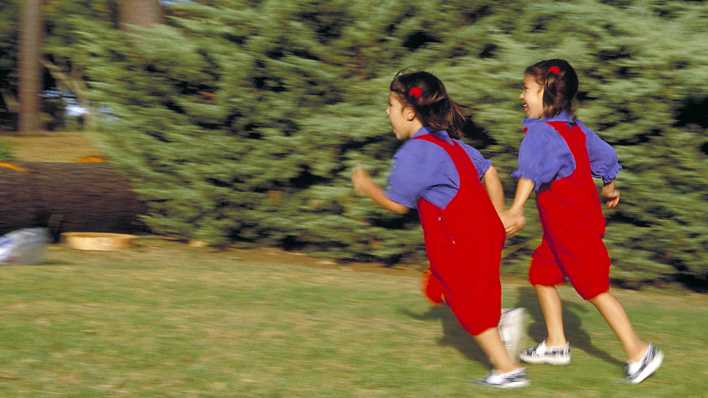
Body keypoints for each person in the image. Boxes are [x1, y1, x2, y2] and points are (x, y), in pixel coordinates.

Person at [352, 70, 527, 388]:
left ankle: (507, 369)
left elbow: (398, 204)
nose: (387, 112)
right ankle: (502, 321)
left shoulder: (414, 152)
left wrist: (366, 187)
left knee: (467, 304)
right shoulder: (450, 144)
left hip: (461, 240)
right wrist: (499, 213)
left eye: (390, 105)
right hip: (483, 233)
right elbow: (489, 170)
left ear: (408, 111)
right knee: (440, 289)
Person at [501, 59, 663, 384]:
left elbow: (530, 173)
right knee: (542, 274)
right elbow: (605, 156)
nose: (521, 96)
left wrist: (515, 208)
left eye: (527, 90)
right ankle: (556, 343)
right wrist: (610, 186)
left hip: (572, 229)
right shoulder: (575, 128)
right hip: (566, 228)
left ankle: (638, 352)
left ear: (547, 94)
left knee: (595, 289)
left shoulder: (540, 133)